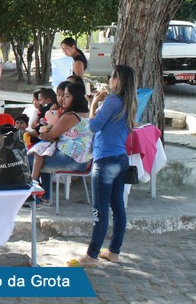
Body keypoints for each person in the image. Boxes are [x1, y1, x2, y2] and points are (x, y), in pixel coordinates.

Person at [68, 65, 137, 268]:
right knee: (118, 207)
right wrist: (97, 104)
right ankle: (114, 251)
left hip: (105, 160)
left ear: (116, 81)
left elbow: (93, 125)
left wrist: (94, 105)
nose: (109, 80)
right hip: (120, 159)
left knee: (100, 210)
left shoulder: (113, 101)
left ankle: (92, 255)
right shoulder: (130, 101)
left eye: (111, 77)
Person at [30, 82, 93, 181]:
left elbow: (49, 136)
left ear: (76, 98)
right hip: (85, 161)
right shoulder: (88, 113)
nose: (63, 99)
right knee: (41, 154)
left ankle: (32, 187)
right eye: (62, 95)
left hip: (70, 160)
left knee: (27, 159)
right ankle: (43, 190)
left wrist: (42, 132)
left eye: (67, 96)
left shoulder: (70, 116)